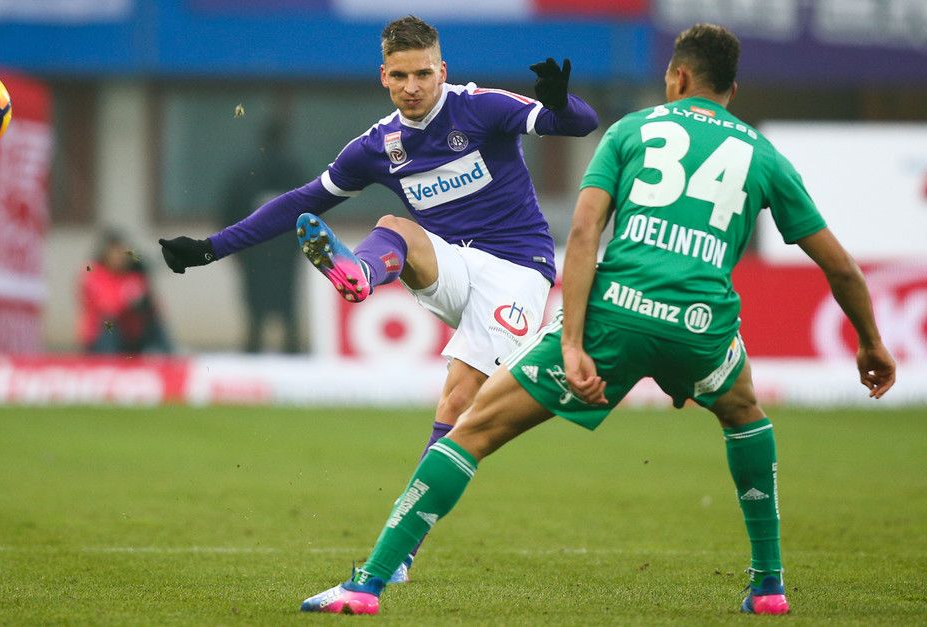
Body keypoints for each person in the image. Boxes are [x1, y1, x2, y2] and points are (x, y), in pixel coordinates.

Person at [298, 23, 897, 616]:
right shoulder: (763, 155)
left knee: (470, 430)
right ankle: (768, 586)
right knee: (745, 416)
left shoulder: (632, 130)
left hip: (615, 315)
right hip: (702, 324)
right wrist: (871, 343)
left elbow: (585, 234)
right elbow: (841, 267)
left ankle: (367, 586)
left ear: (677, 77)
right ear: (732, 91)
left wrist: (573, 341)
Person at [158, 15, 599, 582]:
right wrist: (211, 248)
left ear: (442, 71)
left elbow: (579, 125)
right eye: (400, 76)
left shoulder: (480, 108)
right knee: (395, 226)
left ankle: (400, 559)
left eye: (423, 74)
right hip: (452, 264)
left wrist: (561, 103)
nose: (412, 87)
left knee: (456, 406)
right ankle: (361, 274)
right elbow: (299, 202)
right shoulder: (377, 145)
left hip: (518, 272)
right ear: (383, 77)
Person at [220, 120, 306, 353]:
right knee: (287, 304)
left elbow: (228, 213)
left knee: (255, 308)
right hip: (286, 252)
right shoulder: (295, 173)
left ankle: (253, 348)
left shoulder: (244, 173)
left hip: (253, 251)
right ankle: (292, 351)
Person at [79, 230, 172, 354]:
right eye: (116, 252)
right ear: (105, 253)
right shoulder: (92, 271)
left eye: (123, 252)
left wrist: (145, 302)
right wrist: (127, 297)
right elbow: (107, 307)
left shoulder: (134, 273)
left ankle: (171, 358)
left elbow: (156, 307)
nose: (120, 257)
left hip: (130, 333)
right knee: (109, 325)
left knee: (153, 324)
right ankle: (109, 361)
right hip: (100, 337)